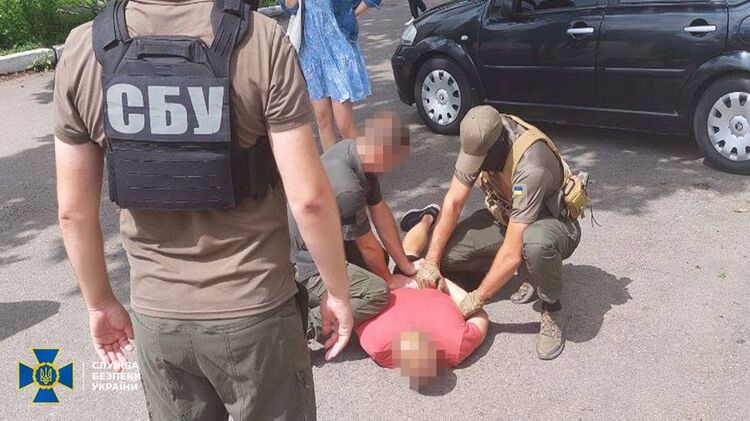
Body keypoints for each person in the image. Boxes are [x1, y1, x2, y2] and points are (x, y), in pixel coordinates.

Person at [54, 1, 353, 419]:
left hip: (160, 320)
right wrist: (337, 291)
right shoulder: (261, 40)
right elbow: (310, 199)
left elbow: (73, 213)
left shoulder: (84, 49)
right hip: (257, 313)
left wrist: (99, 303)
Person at [414, 106, 583, 360]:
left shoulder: (531, 164)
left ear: (498, 146)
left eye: (481, 160)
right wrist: (431, 261)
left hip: (551, 225)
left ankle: (551, 307)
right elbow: (453, 202)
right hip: (507, 216)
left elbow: (512, 252)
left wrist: (477, 299)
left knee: (535, 244)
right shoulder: (480, 134)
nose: (476, 167)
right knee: (446, 256)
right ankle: (515, 272)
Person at [289, 112, 419, 342]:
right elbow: (367, 245)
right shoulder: (349, 189)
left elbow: (381, 212)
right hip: (308, 264)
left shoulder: (357, 154)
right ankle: (302, 328)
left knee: (380, 261)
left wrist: (405, 266)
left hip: (328, 241)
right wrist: (390, 281)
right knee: (377, 292)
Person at [355, 212, 489, 390]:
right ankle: (428, 218)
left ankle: (427, 217)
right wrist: (442, 281)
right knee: (416, 255)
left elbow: (357, 310)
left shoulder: (377, 344)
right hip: (445, 288)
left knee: (409, 254)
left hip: (404, 283)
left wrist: (398, 281)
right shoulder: (456, 346)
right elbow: (479, 312)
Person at [280, 0, 379, 150]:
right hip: (310, 52)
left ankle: (365, 164)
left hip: (338, 48)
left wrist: (351, 14)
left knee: (344, 125)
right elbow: (289, 9)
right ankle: (334, 165)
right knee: (323, 121)